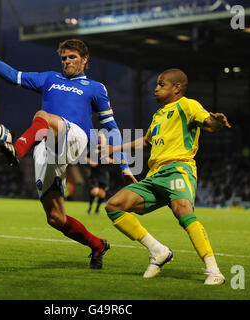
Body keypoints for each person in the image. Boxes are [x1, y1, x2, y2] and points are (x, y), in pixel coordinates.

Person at [0, 39, 137, 269]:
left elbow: (111, 128)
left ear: (84, 60)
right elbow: (13, 75)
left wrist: (124, 166)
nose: (67, 61)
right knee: (55, 218)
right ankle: (97, 245)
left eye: (72, 57)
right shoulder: (49, 79)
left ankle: (17, 149)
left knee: (41, 115)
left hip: (75, 136)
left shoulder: (95, 88)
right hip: (45, 145)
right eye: (63, 58)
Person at [101, 68, 231, 284]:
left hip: (177, 168)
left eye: (161, 84)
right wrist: (118, 149)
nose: (156, 88)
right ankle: (158, 250)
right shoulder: (159, 115)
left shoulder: (188, 105)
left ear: (177, 88)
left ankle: (213, 270)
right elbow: (147, 141)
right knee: (114, 205)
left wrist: (216, 122)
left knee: (182, 211)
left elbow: (209, 123)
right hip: (154, 175)